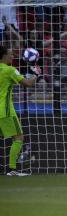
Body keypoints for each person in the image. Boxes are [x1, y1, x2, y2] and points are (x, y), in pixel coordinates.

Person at [0, 46, 37, 176]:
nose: (13, 56)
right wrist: (36, 74)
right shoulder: (9, 70)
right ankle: (12, 170)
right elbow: (27, 83)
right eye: (10, 54)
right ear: (3, 56)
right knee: (19, 137)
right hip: (5, 111)